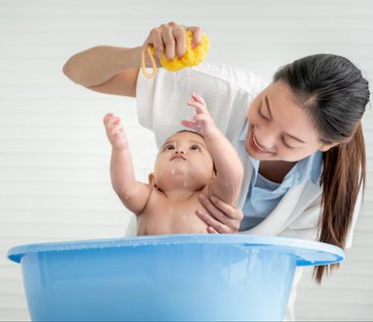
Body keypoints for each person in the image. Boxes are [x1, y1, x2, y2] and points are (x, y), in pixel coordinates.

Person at [63, 22, 369, 320]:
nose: (261, 138)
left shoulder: (335, 180)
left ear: (328, 145)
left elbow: (283, 268)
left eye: (289, 140)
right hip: (151, 288)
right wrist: (141, 54)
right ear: (270, 83)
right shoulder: (215, 93)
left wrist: (236, 245)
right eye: (263, 110)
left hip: (251, 305)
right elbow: (77, 71)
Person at [103, 93, 244, 235]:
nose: (179, 150)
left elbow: (233, 175)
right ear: (153, 180)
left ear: (214, 176)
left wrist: (212, 133)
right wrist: (120, 148)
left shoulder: (211, 198)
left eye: (195, 148)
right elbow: (124, 188)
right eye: (169, 148)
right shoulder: (149, 199)